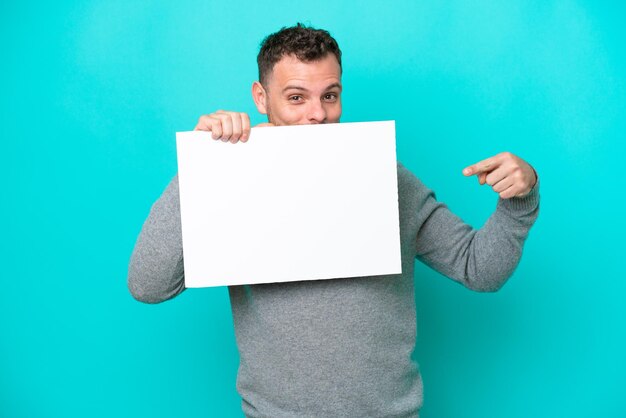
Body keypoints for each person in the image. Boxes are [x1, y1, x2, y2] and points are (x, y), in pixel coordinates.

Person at [128, 24, 539, 417]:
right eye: (295, 97)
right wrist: (201, 164)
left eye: (330, 95)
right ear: (261, 97)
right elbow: (149, 285)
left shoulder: (383, 174)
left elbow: (479, 269)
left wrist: (519, 199)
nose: (317, 114)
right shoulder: (231, 178)